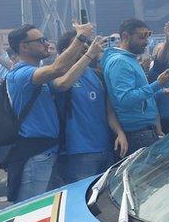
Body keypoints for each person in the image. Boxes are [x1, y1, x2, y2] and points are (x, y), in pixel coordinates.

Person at [5, 22, 93, 201]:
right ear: (24, 46)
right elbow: (58, 69)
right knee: (30, 211)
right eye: (40, 40)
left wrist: (89, 54)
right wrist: (81, 37)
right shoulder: (22, 74)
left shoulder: (37, 74)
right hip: (34, 155)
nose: (46, 44)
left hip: (47, 152)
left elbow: (64, 82)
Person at [51, 32, 125, 185]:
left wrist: (119, 133)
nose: (86, 47)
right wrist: (90, 55)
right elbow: (62, 85)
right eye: (80, 44)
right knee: (81, 198)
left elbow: (109, 111)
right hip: (78, 151)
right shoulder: (59, 75)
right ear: (67, 50)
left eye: (87, 44)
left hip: (106, 147)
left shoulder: (97, 75)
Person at [101, 18, 169, 154]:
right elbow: (126, 99)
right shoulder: (120, 62)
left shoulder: (128, 59)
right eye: (141, 37)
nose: (146, 42)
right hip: (138, 135)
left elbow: (135, 96)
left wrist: (160, 92)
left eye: (147, 37)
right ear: (126, 36)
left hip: (143, 133)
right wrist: (157, 84)